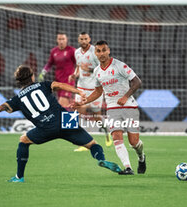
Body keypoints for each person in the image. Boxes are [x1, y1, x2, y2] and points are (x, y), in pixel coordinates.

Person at [0, 65, 122, 182]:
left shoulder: (16, 99)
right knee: (93, 145)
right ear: (32, 76)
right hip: (65, 120)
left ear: (18, 81)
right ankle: (101, 160)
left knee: (23, 140)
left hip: (45, 128)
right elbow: (59, 85)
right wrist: (79, 92)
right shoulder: (43, 85)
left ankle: (19, 177)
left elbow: (0, 108)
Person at [75, 40, 146, 175]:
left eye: (104, 50)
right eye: (98, 51)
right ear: (95, 53)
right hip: (112, 108)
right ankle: (128, 168)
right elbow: (98, 91)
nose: (101, 53)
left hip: (129, 105)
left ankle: (141, 157)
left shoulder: (120, 66)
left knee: (134, 142)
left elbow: (137, 82)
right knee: (117, 137)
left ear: (108, 51)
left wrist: (125, 96)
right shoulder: (97, 71)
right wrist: (83, 102)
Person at [69, 32, 112, 152]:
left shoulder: (95, 51)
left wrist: (88, 69)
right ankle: (84, 143)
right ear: (78, 40)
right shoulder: (76, 52)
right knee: (79, 112)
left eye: (85, 39)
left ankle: (107, 133)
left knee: (97, 116)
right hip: (81, 88)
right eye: (81, 39)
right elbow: (78, 67)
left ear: (89, 39)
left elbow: (103, 67)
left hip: (95, 89)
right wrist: (74, 75)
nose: (83, 41)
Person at [37, 32, 76, 109]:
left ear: (66, 40)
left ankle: (64, 120)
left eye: (63, 39)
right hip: (58, 82)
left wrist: (76, 74)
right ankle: (71, 120)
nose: (61, 41)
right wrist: (43, 72)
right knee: (65, 105)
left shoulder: (72, 51)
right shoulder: (54, 51)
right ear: (57, 40)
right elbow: (49, 63)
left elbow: (78, 64)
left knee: (62, 104)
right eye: (59, 39)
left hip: (68, 82)